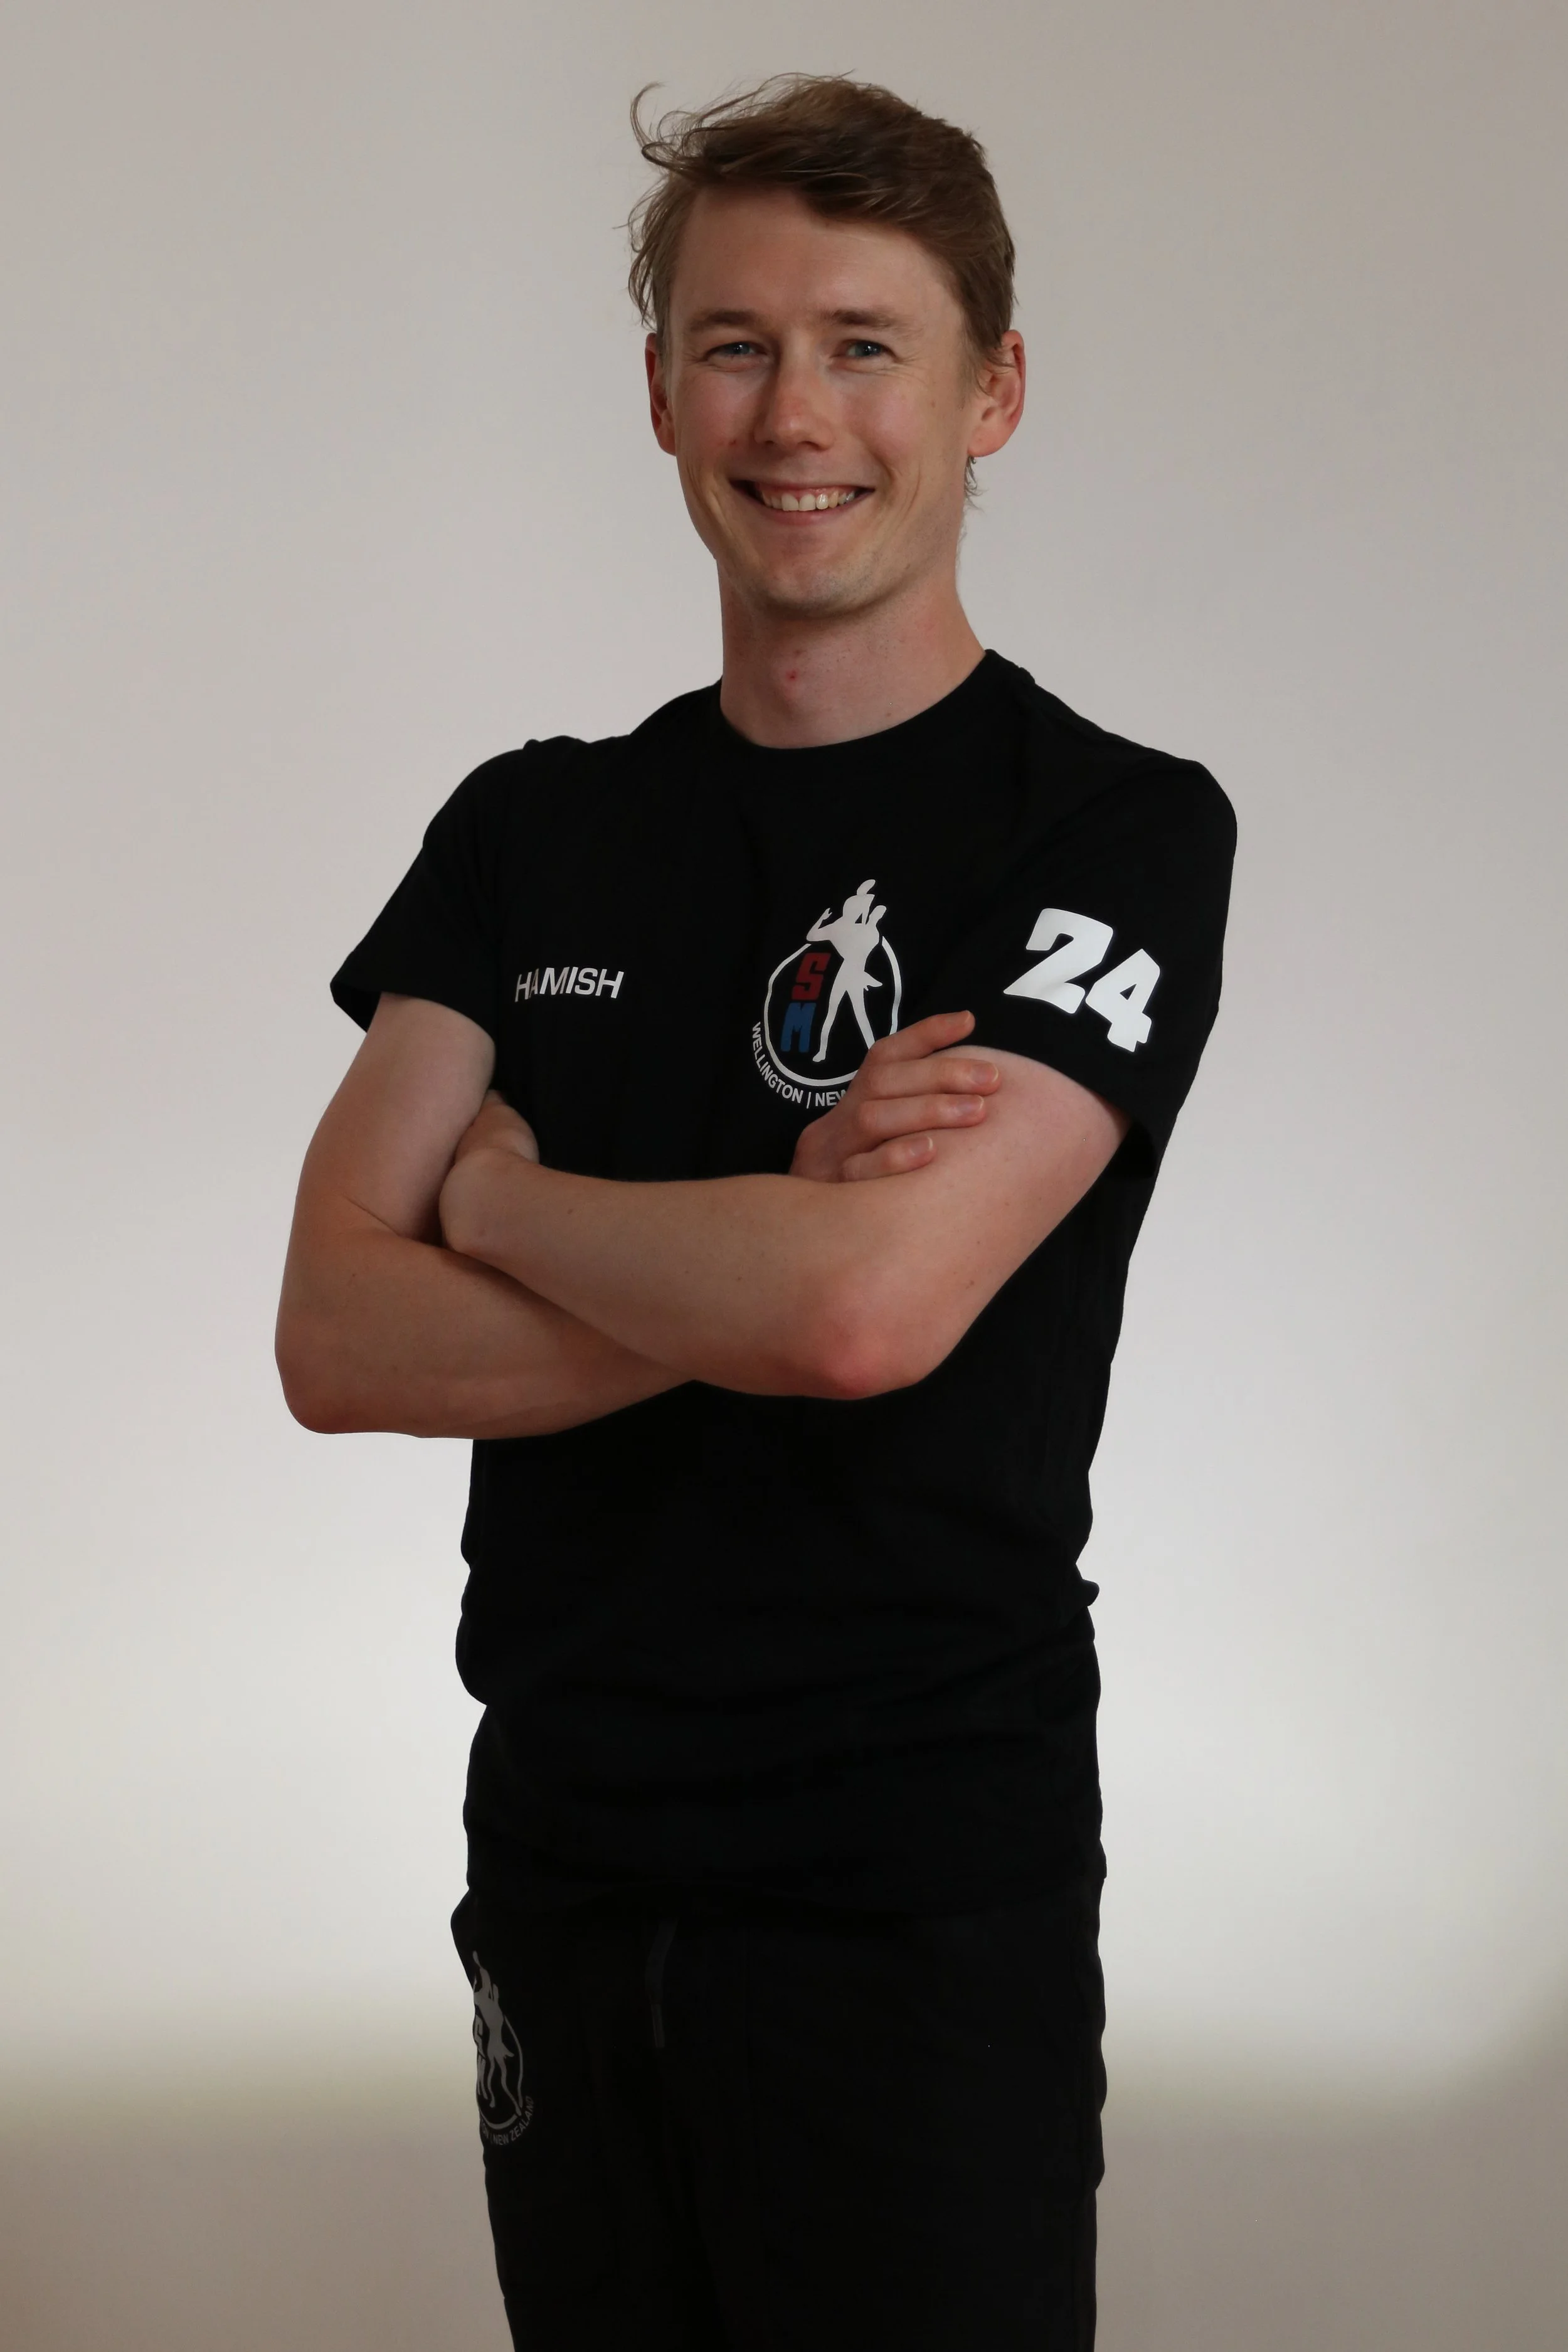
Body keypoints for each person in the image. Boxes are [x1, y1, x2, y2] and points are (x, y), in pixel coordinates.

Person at [276, 73, 1234, 2352]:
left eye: (864, 345)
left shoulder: (1107, 832)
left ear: (991, 392)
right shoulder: (528, 832)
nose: (793, 415)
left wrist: (500, 1197)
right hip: (567, 1858)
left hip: (914, 1892)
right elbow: (333, 1333)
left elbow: (859, 1318)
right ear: (658, 393)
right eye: (734, 345)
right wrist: (748, 1239)